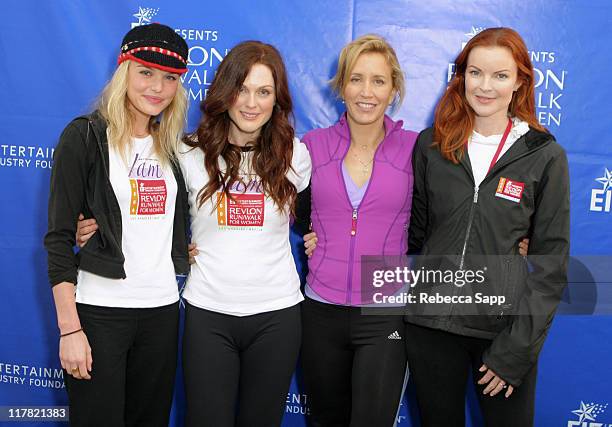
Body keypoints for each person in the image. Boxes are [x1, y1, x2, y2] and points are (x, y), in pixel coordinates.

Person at [404, 27, 569, 427]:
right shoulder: (432, 145)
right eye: (475, 73)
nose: (485, 86)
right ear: (461, 77)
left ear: (520, 82)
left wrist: (515, 352)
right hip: (431, 327)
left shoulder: (544, 155)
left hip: (502, 330)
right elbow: (415, 234)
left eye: (500, 75)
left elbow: (551, 269)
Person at [44, 23, 190, 427]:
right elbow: (58, 239)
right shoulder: (85, 136)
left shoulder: (175, 148)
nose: (157, 87)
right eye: (146, 72)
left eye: (170, 78)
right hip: (99, 314)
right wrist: (69, 330)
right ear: (124, 70)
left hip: (161, 312)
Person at [178, 41, 311, 427]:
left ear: (277, 99)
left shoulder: (295, 156)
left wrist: (320, 237)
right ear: (225, 92)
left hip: (276, 316)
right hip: (209, 313)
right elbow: (150, 220)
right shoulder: (188, 153)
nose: (251, 103)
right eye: (242, 89)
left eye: (264, 91)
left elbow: (318, 219)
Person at [299, 34, 417, 426]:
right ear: (342, 86)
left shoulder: (416, 150)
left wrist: (514, 238)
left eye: (379, 81)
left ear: (393, 89)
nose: (366, 92)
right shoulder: (311, 146)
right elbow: (273, 206)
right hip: (320, 309)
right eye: (356, 79)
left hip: (384, 313)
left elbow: (450, 212)